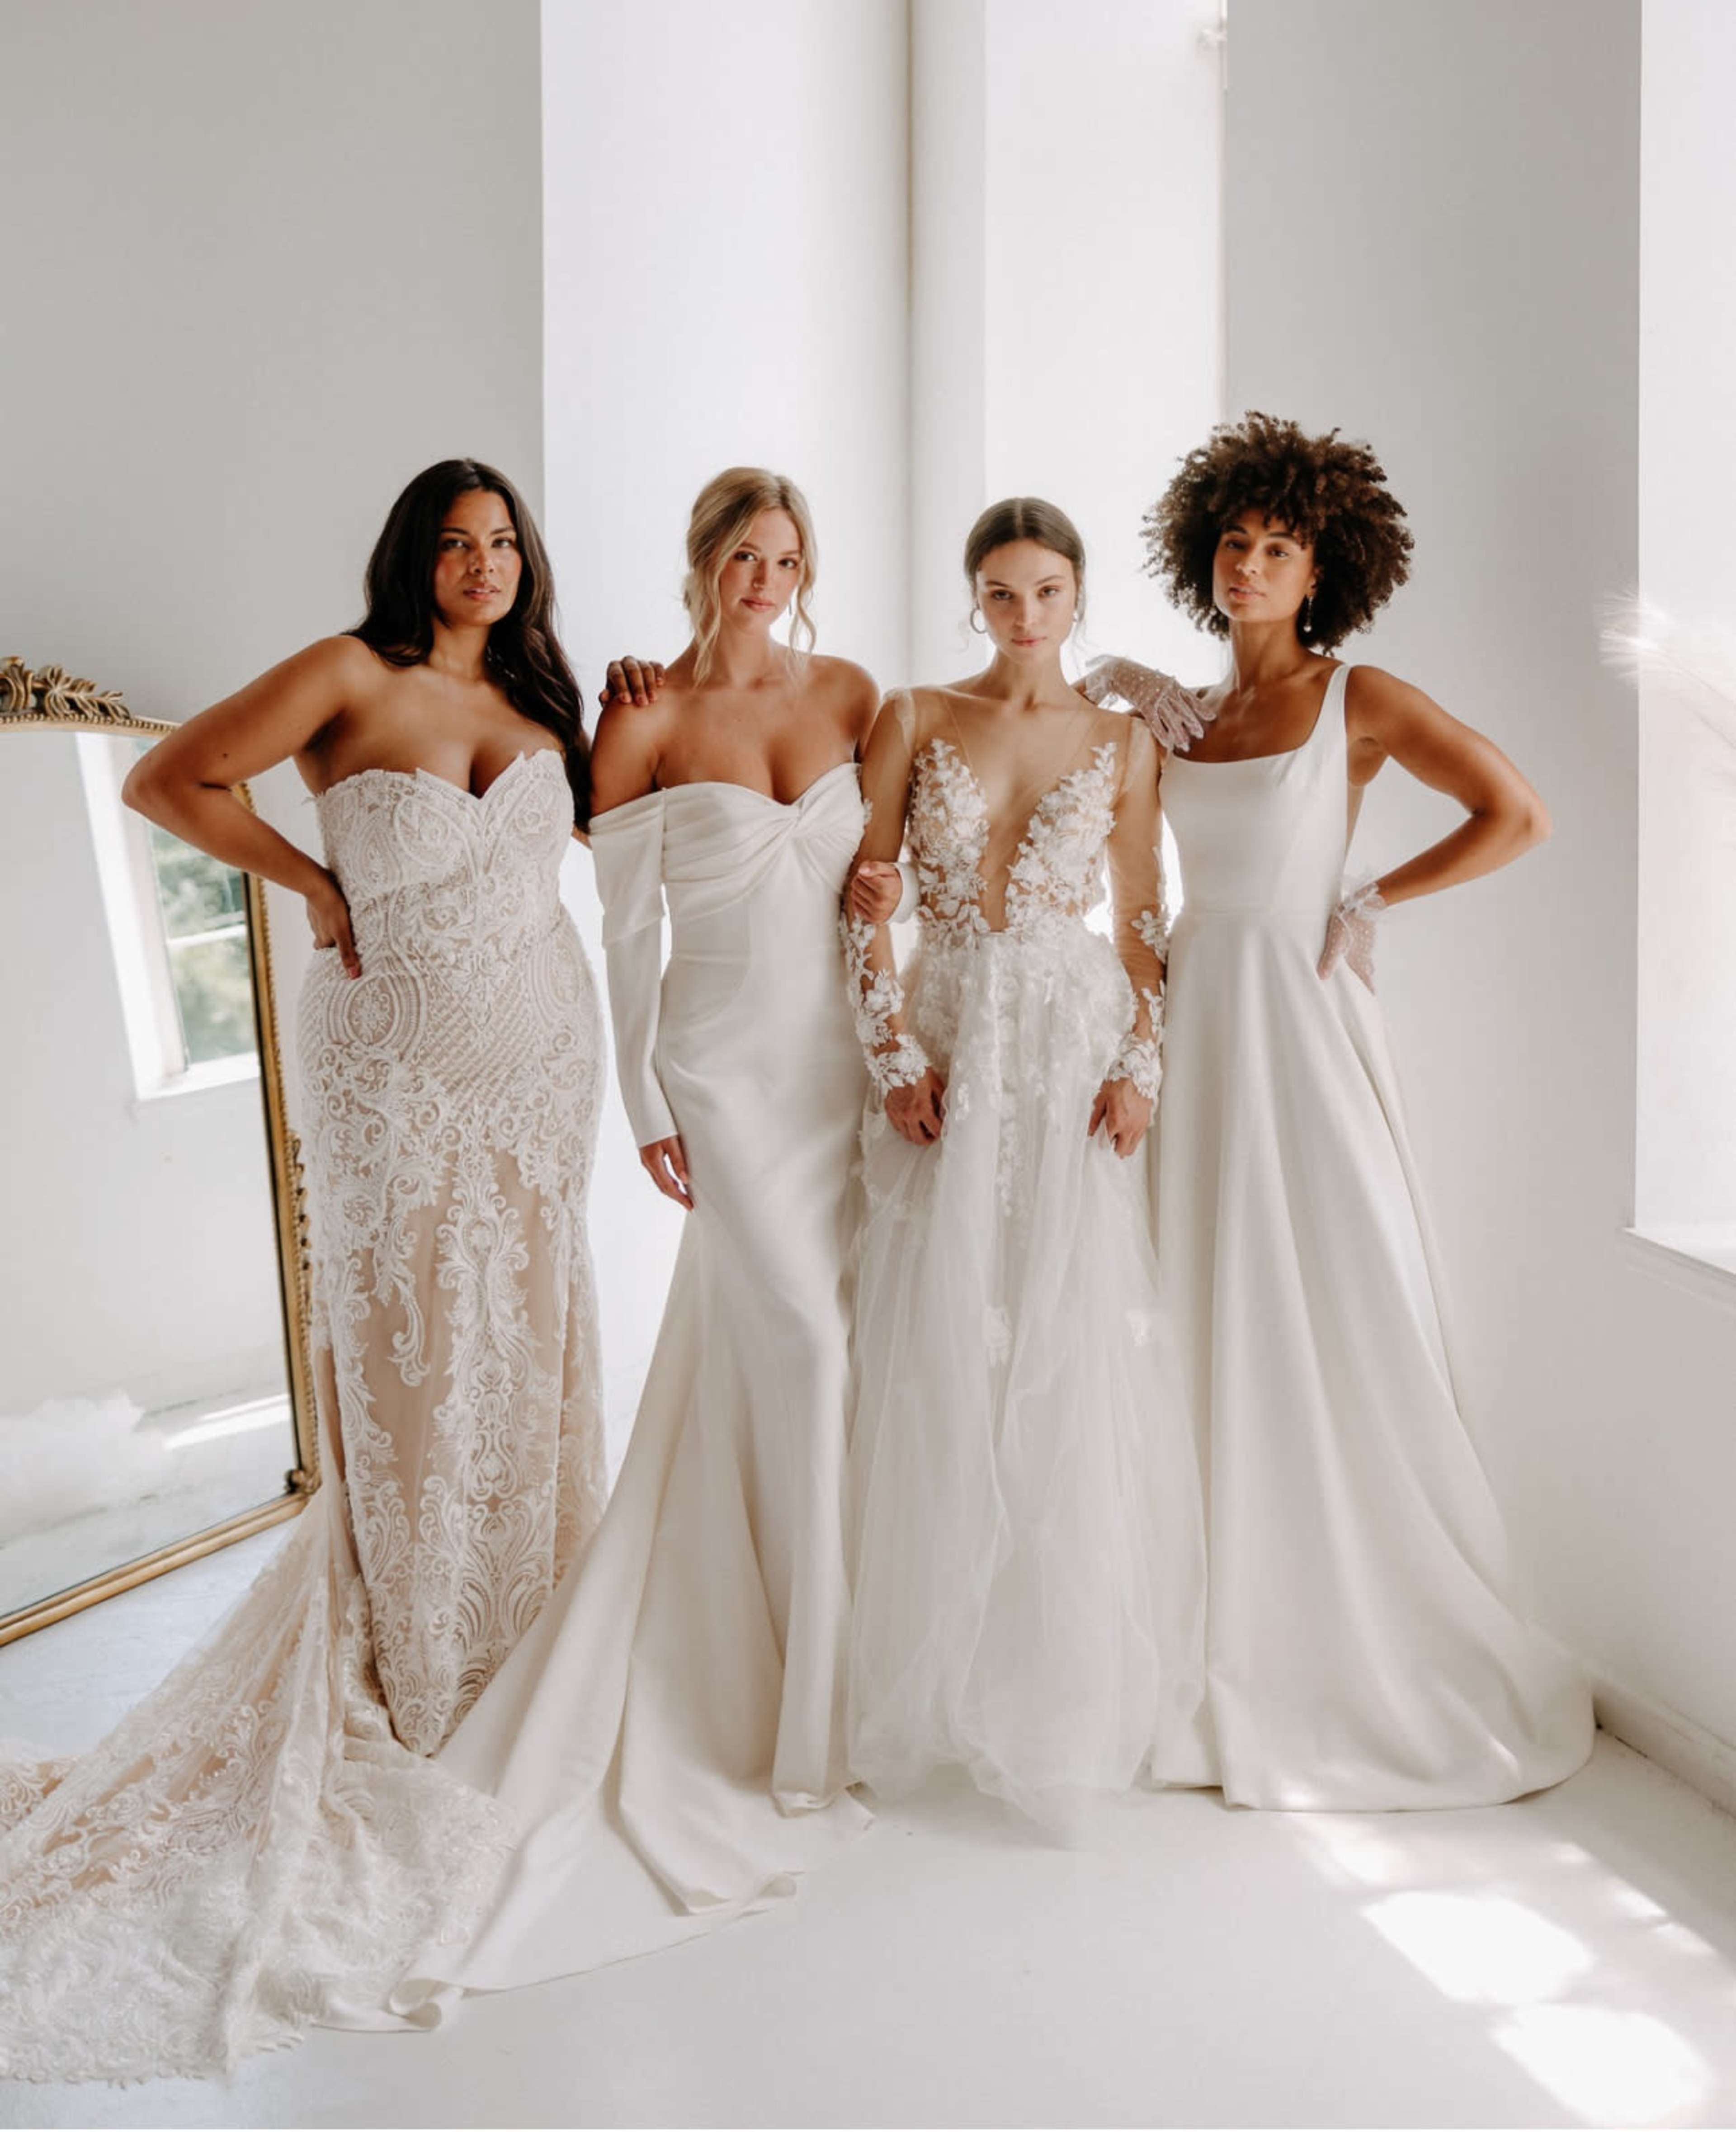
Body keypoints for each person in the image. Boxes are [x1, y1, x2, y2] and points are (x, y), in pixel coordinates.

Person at [0, 459, 604, 2079]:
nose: (482, 565)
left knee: (524, 1344)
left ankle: (526, 1646)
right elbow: (172, 779)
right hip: (392, 1070)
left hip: (539, 1065)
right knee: (410, 1359)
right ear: (415, 555)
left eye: (504, 543)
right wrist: (317, 883)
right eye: (456, 543)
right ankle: (417, 1665)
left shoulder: (542, 697)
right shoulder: (349, 673)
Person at [390, 468, 903, 2009]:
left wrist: (896, 992)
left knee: (821, 1351)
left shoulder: (854, 692)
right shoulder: (644, 716)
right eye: (744, 554)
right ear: (703, 562)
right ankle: (797, 1720)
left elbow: (880, 888)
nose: (767, 576)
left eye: (788, 555)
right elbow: (623, 930)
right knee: (810, 1347)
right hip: (724, 1068)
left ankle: (833, 1665)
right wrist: (645, 1097)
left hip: (838, 1067)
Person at [1085, 412, 1594, 1808]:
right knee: (1196, 1301)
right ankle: (1203, 1619)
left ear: (1323, 569)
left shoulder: (1356, 698)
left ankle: (1352, 1625)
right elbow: (1110, 854)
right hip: (1196, 1021)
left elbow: (1518, 811)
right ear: (1202, 558)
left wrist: (1373, 896)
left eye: (1279, 547)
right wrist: (1107, 677)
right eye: (1234, 543)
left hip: (1300, 1030)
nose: (1250, 564)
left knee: (1335, 1293)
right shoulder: (1175, 715)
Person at [840, 498, 1212, 1823]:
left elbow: (1143, 913)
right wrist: (891, 1052)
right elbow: (862, 895)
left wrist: (1144, 1061)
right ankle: (932, 1665)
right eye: (1001, 592)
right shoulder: (913, 716)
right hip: (950, 1033)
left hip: (1068, 1046)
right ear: (975, 598)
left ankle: (1061, 1675)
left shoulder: (1121, 742)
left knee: (1066, 1334)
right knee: (939, 1329)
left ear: (1079, 595)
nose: (1025, 615)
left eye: (1047, 591)